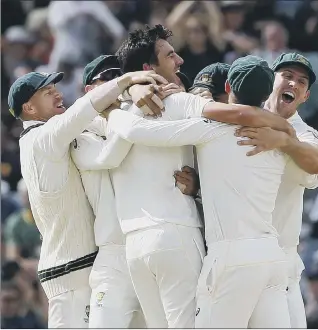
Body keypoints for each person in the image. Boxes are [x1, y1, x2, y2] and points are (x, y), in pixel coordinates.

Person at [110, 25, 295, 328]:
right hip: (193, 238)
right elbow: (238, 116)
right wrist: (286, 129)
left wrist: (125, 95)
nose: (180, 60)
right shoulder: (190, 107)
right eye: (171, 55)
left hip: (138, 245)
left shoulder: (119, 110)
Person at [7, 65, 165, 328]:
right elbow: (84, 109)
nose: (58, 95)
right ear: (29, 108)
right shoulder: (40, 138)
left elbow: (104, 119)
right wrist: (127, 80)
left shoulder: (52, 134)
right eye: (48, 92)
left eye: (56, 89)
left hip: (86, 266)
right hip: (69, 271)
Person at [234, 52, 318, 328]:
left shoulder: (306, 134)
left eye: (301, 81)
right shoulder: (240, 115)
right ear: (271, 81)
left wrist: (284, 142)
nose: (293, 84)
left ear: (306, 96)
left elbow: (316, 165)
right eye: (286, 76)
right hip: (235, 254)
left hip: (279, 259)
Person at [69, 55, 156, 328]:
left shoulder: (137, 120)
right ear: (90, 90)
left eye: (120, 77)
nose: (116, 86)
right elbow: (109, 156)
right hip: (113, 256)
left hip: (147, 248)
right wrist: (134, 114)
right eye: (108, 79)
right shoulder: (80, 133)